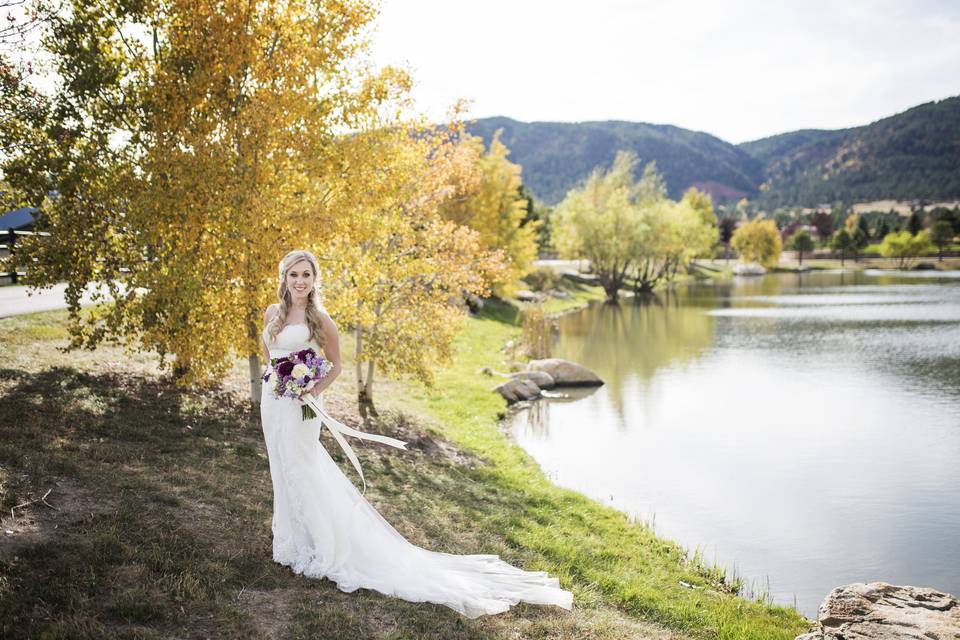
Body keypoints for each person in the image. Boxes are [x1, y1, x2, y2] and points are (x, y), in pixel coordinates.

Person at [259, 249, 574, 618]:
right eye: (293, 274)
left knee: (303, 469)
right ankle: (292, 540)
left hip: (302, 408)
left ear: (314, 281)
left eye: (306, 276)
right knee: (281, 467)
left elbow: (337, 365)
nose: (299, 281)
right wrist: (279, 381)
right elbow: (270, 357)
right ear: (284, 277)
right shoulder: (272, 314)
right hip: (273, 403)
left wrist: (311, 390)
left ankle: (320, 547)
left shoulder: (320, 319)